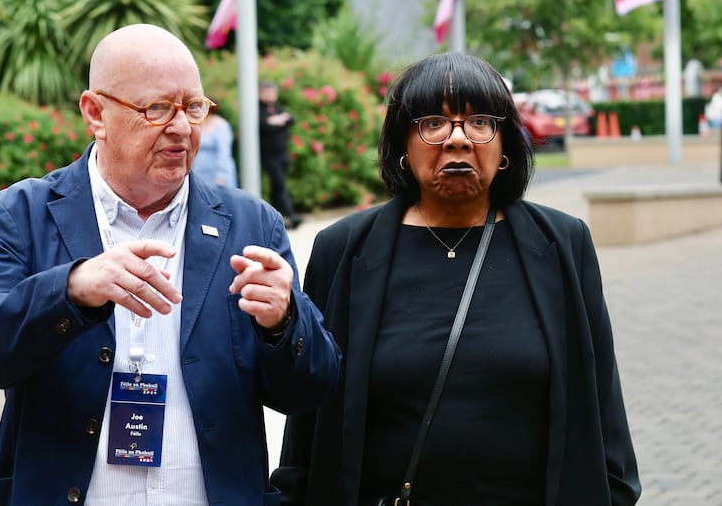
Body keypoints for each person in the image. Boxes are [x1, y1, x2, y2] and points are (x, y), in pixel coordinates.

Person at [0, 24, 341, 506]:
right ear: (96, 113)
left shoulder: (251, 223)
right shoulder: (22, 213)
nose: (181, 127)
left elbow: (308, 391)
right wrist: (71, 290)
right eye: (156, 109)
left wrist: (283, 323)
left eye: (193, 107)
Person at [271, 52, 640, 505]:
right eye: (433, 123)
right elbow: (310, 419)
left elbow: (601, 403)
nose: (458, 139)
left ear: (505, 145)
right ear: (403, 146)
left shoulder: (562, 243)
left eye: (480, 122)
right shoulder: (344, 250)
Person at [259, 80, 303, 229]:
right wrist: (275, 122)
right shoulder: (259, 109)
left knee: (278, 188)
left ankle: (275, 219)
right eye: (267, 92)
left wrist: (277, 121)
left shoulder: (277, 108)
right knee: (279, 184)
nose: (270, 95)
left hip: (282, 153)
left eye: (272, 92)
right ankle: (291, 216)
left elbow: (291, 119)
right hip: (269, 155)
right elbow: (263, 125)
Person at [192, 104, 239, 186]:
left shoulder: (220, 125)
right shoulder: (198, 124)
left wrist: (221, 176)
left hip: (215, 174)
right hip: (199, 173)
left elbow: (224, 152)